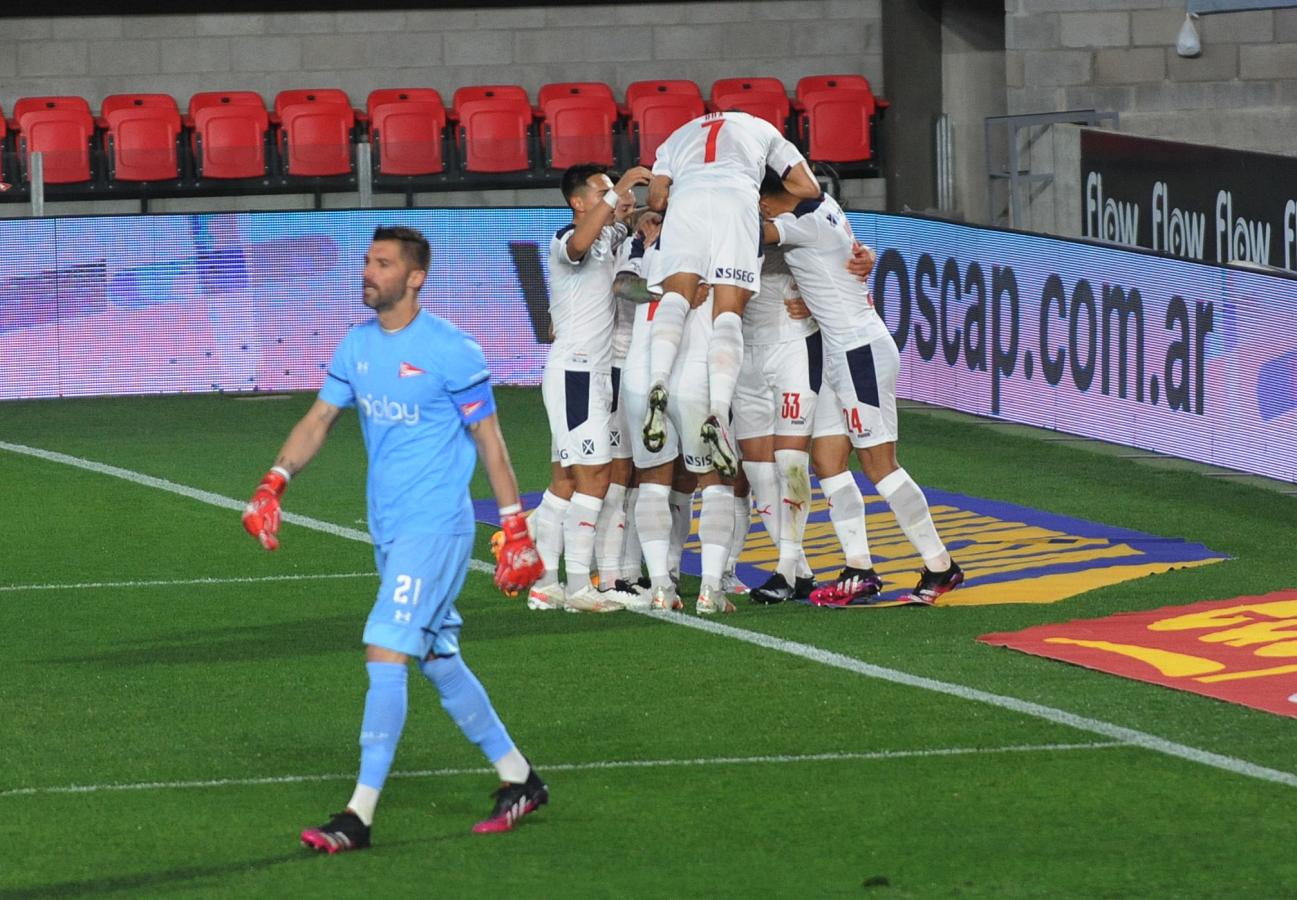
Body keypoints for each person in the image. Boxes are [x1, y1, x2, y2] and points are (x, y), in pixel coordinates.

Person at [241, 226, 548, 852]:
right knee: (437, 657)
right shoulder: (356, 347)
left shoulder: (450, 349)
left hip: (434, 527)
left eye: (382, 263)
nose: (367, 271)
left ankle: (358, 816)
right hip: (389, 528)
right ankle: (519, 778)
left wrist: (515, 525)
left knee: (385, 648)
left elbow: (491, 441)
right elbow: (319, 419)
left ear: (415, 278)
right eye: (366, 261)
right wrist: (274, 483)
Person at [758, 175, 965, 606]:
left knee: (880, 465)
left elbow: (755, 235)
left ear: (765, 201)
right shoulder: (822, 204)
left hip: (859, 352)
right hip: (840, 350)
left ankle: (941, 565)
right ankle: (859, 567)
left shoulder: (803, 221)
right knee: (827, 460)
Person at [642, 110, 820, 478]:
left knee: (675, 298)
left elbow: (657, 199)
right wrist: (761, 198)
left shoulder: (676, 134)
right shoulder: (762, 128)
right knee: (727, 312)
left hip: (687, 201)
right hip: (736, 198)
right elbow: (809, 188)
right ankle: (719, 413)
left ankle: (657, 381)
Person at [527, 163, 652, 614]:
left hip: (588, 374)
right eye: (600, 192)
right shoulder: (567, 240)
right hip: (577, 374)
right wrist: (618, 189)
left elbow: (637, 222)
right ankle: (580, 585)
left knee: (565, 481)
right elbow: (583, 241)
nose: (618, 198)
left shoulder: (611, 238)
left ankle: (544, 582)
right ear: (578, 203)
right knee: (596, 475)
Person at [734, 247, 821, 604]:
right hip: (744, 348)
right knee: (757, 469)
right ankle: (800, 571)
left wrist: (821, 299)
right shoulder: (727, 215)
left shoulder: (792, 216)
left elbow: (843, 252)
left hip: (793, 344)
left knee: (791, 462)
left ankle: (785, 570)